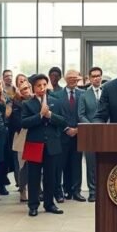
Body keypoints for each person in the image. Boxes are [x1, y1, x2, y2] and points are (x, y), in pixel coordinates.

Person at [21, 74, 67, 216]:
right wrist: (40, 115)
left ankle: (49, 204)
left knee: (51, 176)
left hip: (52, 144)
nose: (42, 88)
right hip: (34, 144)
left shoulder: (56, 102)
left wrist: (50, 116)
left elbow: (63, 121)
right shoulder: (27, 104)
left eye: (44, 85)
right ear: (33, 88)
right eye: (38, 86)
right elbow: (24, 123)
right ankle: (33, 205)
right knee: (33, 176)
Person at [54, 70, 84, 202]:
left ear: (78, 79)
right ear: (65, 79)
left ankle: (76, 191)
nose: (73, 80)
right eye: (70, 77)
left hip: (79, 134)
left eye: (75, 77)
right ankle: (61, 192)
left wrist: (77, 129)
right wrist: (66, 128)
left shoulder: (83, 94)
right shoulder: (56, 95)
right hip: (62, 134)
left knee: (76, 164)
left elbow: (86, 113)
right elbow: (55, 115)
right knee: (60, 165)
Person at [77, 67, 104, 202]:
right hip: (90, 133)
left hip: (106, 133)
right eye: (93, 76)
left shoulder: (107, 92)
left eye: (98, 76)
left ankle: (104, 190)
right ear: (89, 78)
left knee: (105, 163)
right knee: (91, 163)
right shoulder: (84, 95)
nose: (96, 78)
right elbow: (81, 114)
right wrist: (92, 126)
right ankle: (93, 191)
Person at [9, 79, 34, 202]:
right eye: (23, 89)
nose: (26, 91)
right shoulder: (16, 104)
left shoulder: (37, 100)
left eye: (28, 88)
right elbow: (16, 122)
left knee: (35, 165)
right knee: (22, 165)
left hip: (35, 136)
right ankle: (23, 189)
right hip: (21, 137)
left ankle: (35, 189)